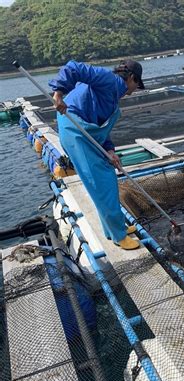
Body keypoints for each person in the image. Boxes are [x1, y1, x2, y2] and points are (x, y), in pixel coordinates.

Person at [48, 59, 145, 250]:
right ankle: (119, 235)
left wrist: (110, 151)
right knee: (102, 181)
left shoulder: (113, 100)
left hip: (85, 132)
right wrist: (58, 93)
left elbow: (102, 130)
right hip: (75, 129)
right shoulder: (111, 81)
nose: (134, 90)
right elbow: (73, 68)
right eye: (137, 84)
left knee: (104, 176)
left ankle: (113, 229)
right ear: (131, 77)